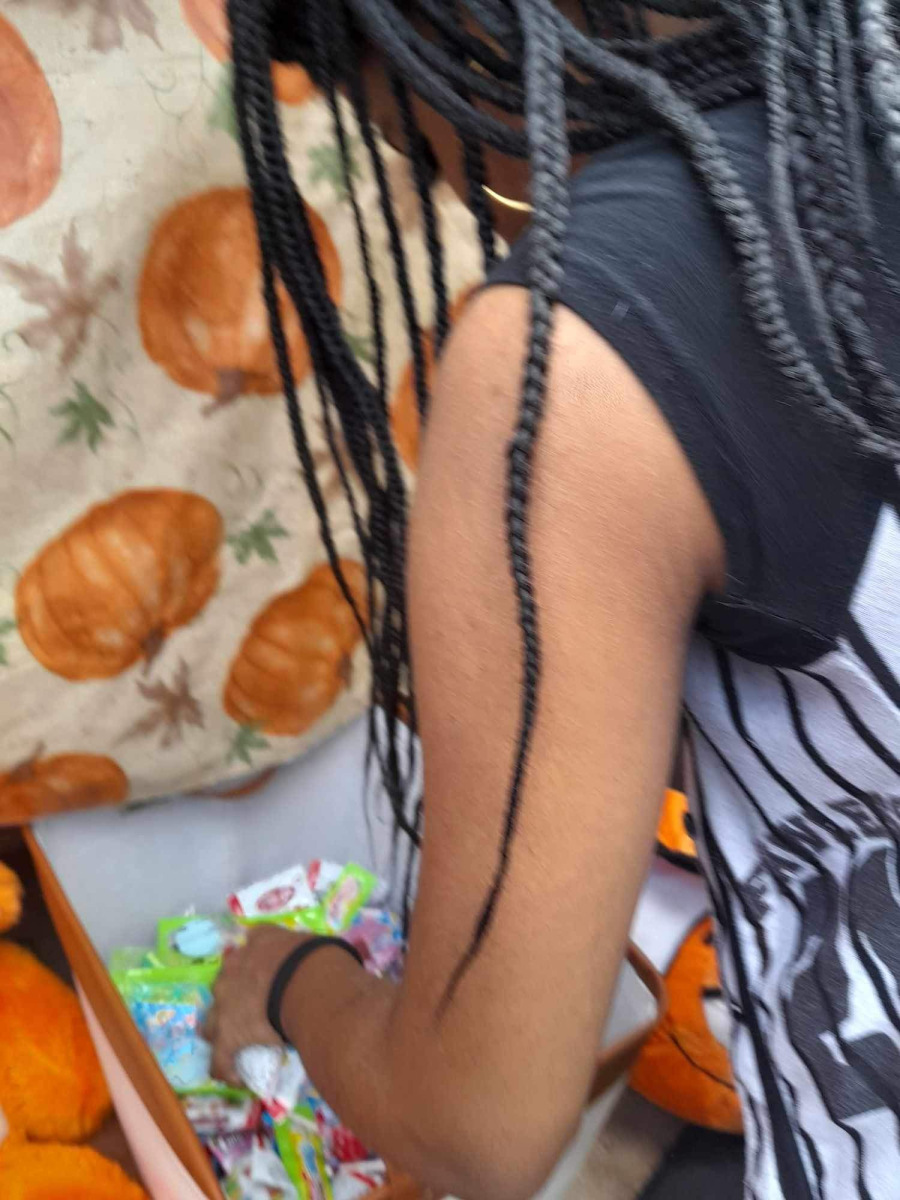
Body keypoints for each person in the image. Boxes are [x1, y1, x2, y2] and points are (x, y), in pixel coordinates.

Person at [206, 2, 900, 1198]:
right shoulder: (855, 86)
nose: (482, 211)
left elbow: (477, 1128)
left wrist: (286, 983)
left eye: (424, 146)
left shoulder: (576, 359)